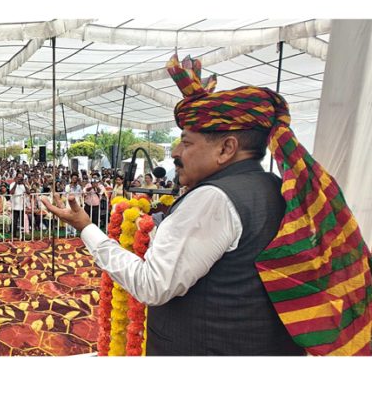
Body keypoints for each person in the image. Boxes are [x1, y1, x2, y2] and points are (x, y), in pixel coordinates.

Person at [42, 53, 372, 356]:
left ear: (226, 149)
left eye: (186, 142)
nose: (174, 153)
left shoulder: (214, 198)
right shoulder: (270, 186)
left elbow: (151, 285)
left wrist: (86, 228)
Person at [9, 172, 28, 240]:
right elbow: (11, 192)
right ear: (16, 177)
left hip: (22, 206)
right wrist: (16, 183)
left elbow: (29, 192)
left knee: (22, 222)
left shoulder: (24, 185)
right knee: (14, 222)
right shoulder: (12, 184)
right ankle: (13, 236)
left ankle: (22, 236)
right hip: (14, 206)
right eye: (18, 177)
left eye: (21, 178)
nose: (20, 179)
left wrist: (25, 184)